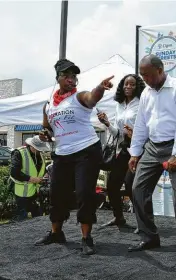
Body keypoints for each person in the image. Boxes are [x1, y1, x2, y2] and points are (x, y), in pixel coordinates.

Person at [34, 58, 114, 255]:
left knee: (85, 193)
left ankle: (86, 238)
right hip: (62, 153)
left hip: (86, 150)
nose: (71, 79)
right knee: (56, 193)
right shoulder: (49, 105)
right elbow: (47, 128)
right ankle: (56, 233)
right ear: (58, 78)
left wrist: (100, 88)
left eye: (74, 76)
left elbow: (92, 97)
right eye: (66, 76)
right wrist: (45, 133)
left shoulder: (79, 97)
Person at [127, 54, 176, 259]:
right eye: (142, 76)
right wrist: (135, 152)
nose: (144, 79)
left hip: (175, 146)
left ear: (160, 69)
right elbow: (141, 124)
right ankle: (149, 237)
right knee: (138, 189)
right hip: (152, 147)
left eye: (147, 75)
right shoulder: (146, 92)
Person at [97, 74, 145, 229]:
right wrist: (106, 123)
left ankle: (143, 222)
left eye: (132, 84)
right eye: (126, 84)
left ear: (137, 86)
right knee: (112, 185)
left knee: (132, 186)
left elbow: (148, 128)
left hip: (139, 149)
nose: (128, 87)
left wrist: (135, 135)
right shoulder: (119, 105)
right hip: (124, 149)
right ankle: (119, 218)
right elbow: (118, 133)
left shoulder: (142, 103)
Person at [9, 136, 50, 220]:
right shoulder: (19, 153)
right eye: (38, 149)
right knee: (22, 218)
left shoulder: (39, 154)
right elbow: (14, 172)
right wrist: (32, 179)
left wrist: (45, 174)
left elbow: (40, 168)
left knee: (38, 217)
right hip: (21, 193)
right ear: (32, 146)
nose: (40, 151)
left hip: (35, 191)